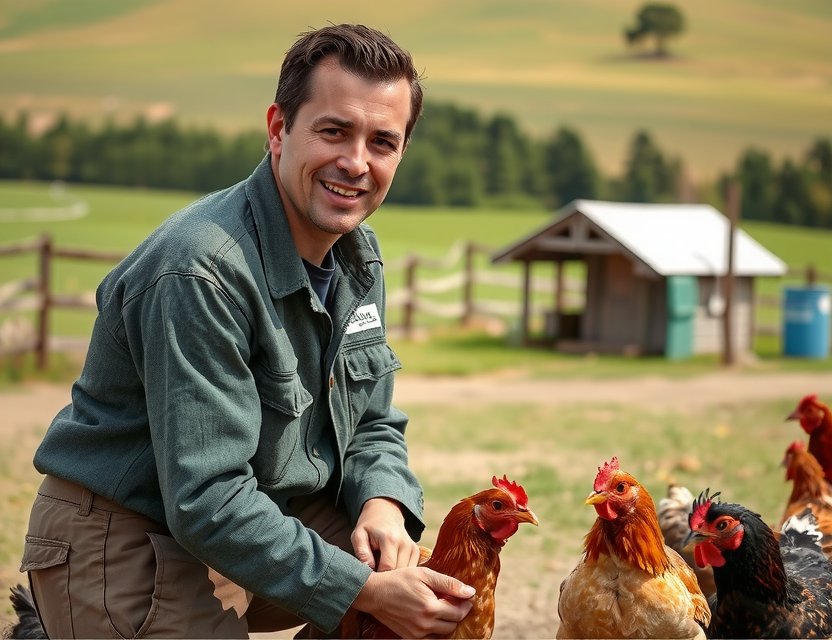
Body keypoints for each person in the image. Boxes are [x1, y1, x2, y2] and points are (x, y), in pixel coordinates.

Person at [20, 23, 476, 639]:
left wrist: (384, 504)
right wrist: (365, 590)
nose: (356, 162)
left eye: (383, 142)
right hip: (130, 530)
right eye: (334, 131)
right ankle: (62, 617)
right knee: (384, 599)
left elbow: (370, 422)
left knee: (428, 605)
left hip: (253, 521)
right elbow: (206, 497)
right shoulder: (200, 269)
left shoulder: (356, 260)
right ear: (278, 129)